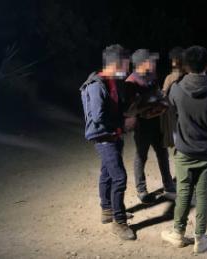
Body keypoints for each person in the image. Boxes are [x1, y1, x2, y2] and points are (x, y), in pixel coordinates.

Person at [161, 46, 207, 253]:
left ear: (186, 66)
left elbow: (171, 109)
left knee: (183, 193)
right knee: (203, 195)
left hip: (184, 151)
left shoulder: (176, 89)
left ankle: (178, 233)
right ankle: (200, 238)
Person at [79, 44, 135, 240]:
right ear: (116, 63)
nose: (128, 68)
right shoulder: (97, 84)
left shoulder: (111, 81)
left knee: (107, 173)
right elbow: (98, 116)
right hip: (104, 137)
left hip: (112, 135)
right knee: (119, 177)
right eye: (126, 64)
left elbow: (111, 108)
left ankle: (107, 210)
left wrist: (125, 116)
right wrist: (123, 122)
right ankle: (119, 223)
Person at [125, 49, 176, 203]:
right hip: (142, 125)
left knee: (163, 154)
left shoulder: (152, 77)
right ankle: (141, 190)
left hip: (156, 123)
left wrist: (160, 104)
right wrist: (151, 104)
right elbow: (132, 108)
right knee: (141, 156)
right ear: (142, 63)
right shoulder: (131, 82)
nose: (154, 64)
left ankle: (168, 186)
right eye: (151, 61)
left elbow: (159, 96)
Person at [161, 47, 185, 148]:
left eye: (175, 60)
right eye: (173, 61)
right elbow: (163, 95)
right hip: (174, 116)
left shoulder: (187, 76)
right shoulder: (169, 77)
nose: (173, 63)